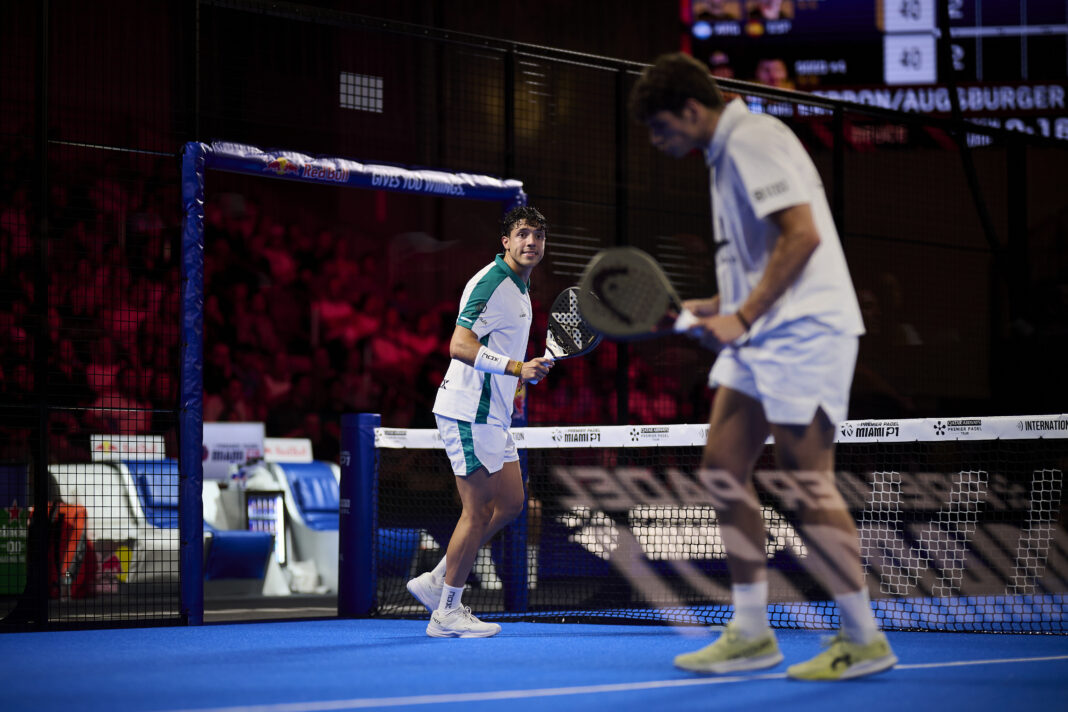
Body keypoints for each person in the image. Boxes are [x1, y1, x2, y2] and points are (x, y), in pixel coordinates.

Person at [628, 53, 896, 681]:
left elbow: (802, 236)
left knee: (808, 482)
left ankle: (863, 638)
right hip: (765, 331)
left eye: (659, 127)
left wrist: (742, 319)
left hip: (803, 331)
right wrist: (709, 308)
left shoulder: (751, 140)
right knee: (722, 470)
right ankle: (751, 632)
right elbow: (762, 262)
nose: (654, 140)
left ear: (691, 111)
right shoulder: (725, 157)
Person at [405, 206, 554, 638]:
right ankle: (446, 612)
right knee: (478, 510)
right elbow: (458, 344)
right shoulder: (491, 282)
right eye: (523, 234)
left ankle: (436, 580)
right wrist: (515, 368)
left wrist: (524, 370)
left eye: (539, 236)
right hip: (470, 409)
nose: (531, 242)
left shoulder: (520, 287)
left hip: (494, 414)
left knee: (510, 504)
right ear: (505, 241)